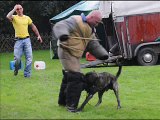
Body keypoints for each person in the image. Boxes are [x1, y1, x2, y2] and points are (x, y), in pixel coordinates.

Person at [53, 10, 109, 112]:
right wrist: (63, 34)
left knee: (68, 77)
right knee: (76, 78)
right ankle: (71, 107)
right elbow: (60, 25)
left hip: (74, 55)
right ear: (91, 17)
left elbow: (93, 44)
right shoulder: (75, 20)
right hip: (66, 51)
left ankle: (63, 102)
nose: (96, 25)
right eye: (96, 22)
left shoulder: (90, 29)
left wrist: (103, 55)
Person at [6, 4, 43, 78]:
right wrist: (14, 9)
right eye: (17, 9)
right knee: (17, 59)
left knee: (29, 58)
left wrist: (38, 35)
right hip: (18, 41)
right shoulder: (14, 17)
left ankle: (27, 75)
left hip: (27, 40)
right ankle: (16, 69)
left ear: (22, 9)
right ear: (16, 10)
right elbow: (8, 16)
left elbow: (33, 26)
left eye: (20, 8)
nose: (19, 10)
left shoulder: (27, 18)